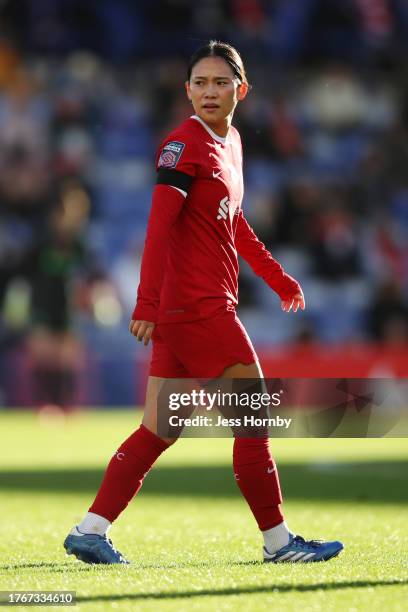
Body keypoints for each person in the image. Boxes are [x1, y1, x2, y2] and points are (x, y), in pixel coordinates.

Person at [64, 41, 343, 564]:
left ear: (243, 89)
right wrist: (145, 302)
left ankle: (90, 530)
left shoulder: (230, 142)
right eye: (200, 83)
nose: (209, 92)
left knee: (159, 429)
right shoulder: (183, 144)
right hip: (197, 308)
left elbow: (232, 221)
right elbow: (158, 227)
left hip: (187, 311)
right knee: (254, 418)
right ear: (186, 90)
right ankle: (279, 544)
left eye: (220, 82)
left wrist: (278, 278)